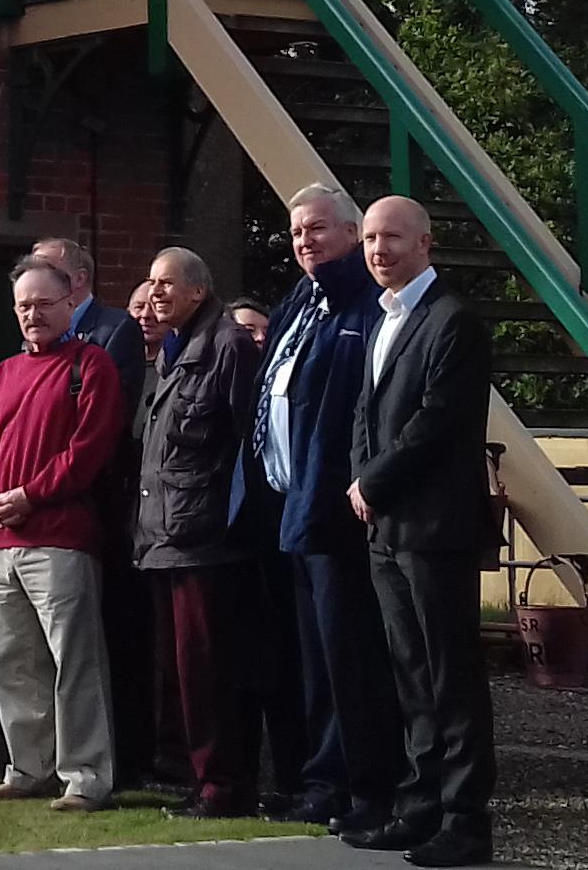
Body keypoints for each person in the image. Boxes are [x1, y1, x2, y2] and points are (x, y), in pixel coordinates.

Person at [347, 196, 495, 867]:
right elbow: (366, 414)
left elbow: (436, 421)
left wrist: (373, 482)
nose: (379, 250)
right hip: (386, 530)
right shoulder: (384, 318)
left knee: (450, 679)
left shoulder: (452, 321)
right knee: (411, 678)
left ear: (425, 243)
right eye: (370, 239)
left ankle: (465, 821)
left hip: (436, 530)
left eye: (393, 238)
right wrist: (361, 481)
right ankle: (419, 808)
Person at [259, 184, 397, 831]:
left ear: (350, 232)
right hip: (289, 507)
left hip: (336, 511)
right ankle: (318, 777)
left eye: (315, 229)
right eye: (295, 233)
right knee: (311, 659)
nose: (304, 241)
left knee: (347, 658)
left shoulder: (364, 305)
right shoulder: (300, 301)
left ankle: (354, 783)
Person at [0, 256, 125, 813]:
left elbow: (88, 451)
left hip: (60, 539)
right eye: (23, 306)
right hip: (0, 541)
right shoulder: (3, 373)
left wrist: (28, 496)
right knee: (11, 665)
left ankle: (86, 777)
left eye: (43, 304)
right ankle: (27, 768)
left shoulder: (91, 365)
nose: (33, 314)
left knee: (74, 664)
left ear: (69, 303)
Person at [134, 247, 265, 820]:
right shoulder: (173, 350)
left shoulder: (228, 346)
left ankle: (224, 787)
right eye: (151, 283)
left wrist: (232, 525)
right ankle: (199, 777)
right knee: (180, 673)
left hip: (205, 540)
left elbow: (248, 441)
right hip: (163, 538)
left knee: (208, 672)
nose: (155, 293)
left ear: (198, 290)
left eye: (167, 283)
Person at [30, 236, 153, 788]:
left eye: (47, 269)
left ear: (77, 279)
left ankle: (122, 757)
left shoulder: (114, 329)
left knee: (110, 637)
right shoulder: (30, 346)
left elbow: (105, 423)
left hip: (97, 505)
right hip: (42, 513)